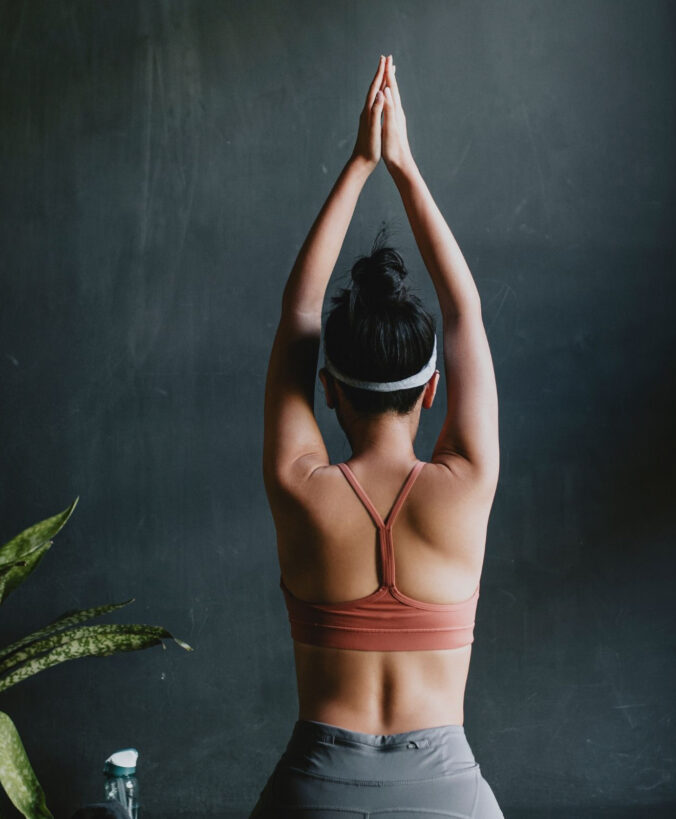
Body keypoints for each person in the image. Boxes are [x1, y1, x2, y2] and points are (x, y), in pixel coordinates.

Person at [253, 55, 502, 817]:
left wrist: (359, 164)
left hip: (313, 794)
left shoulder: (300, 484)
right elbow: (463, 315)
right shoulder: (467, 486)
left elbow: (299, 318)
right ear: (434, 389)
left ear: (326, 392)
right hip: (449, 799)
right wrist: (403, 167)